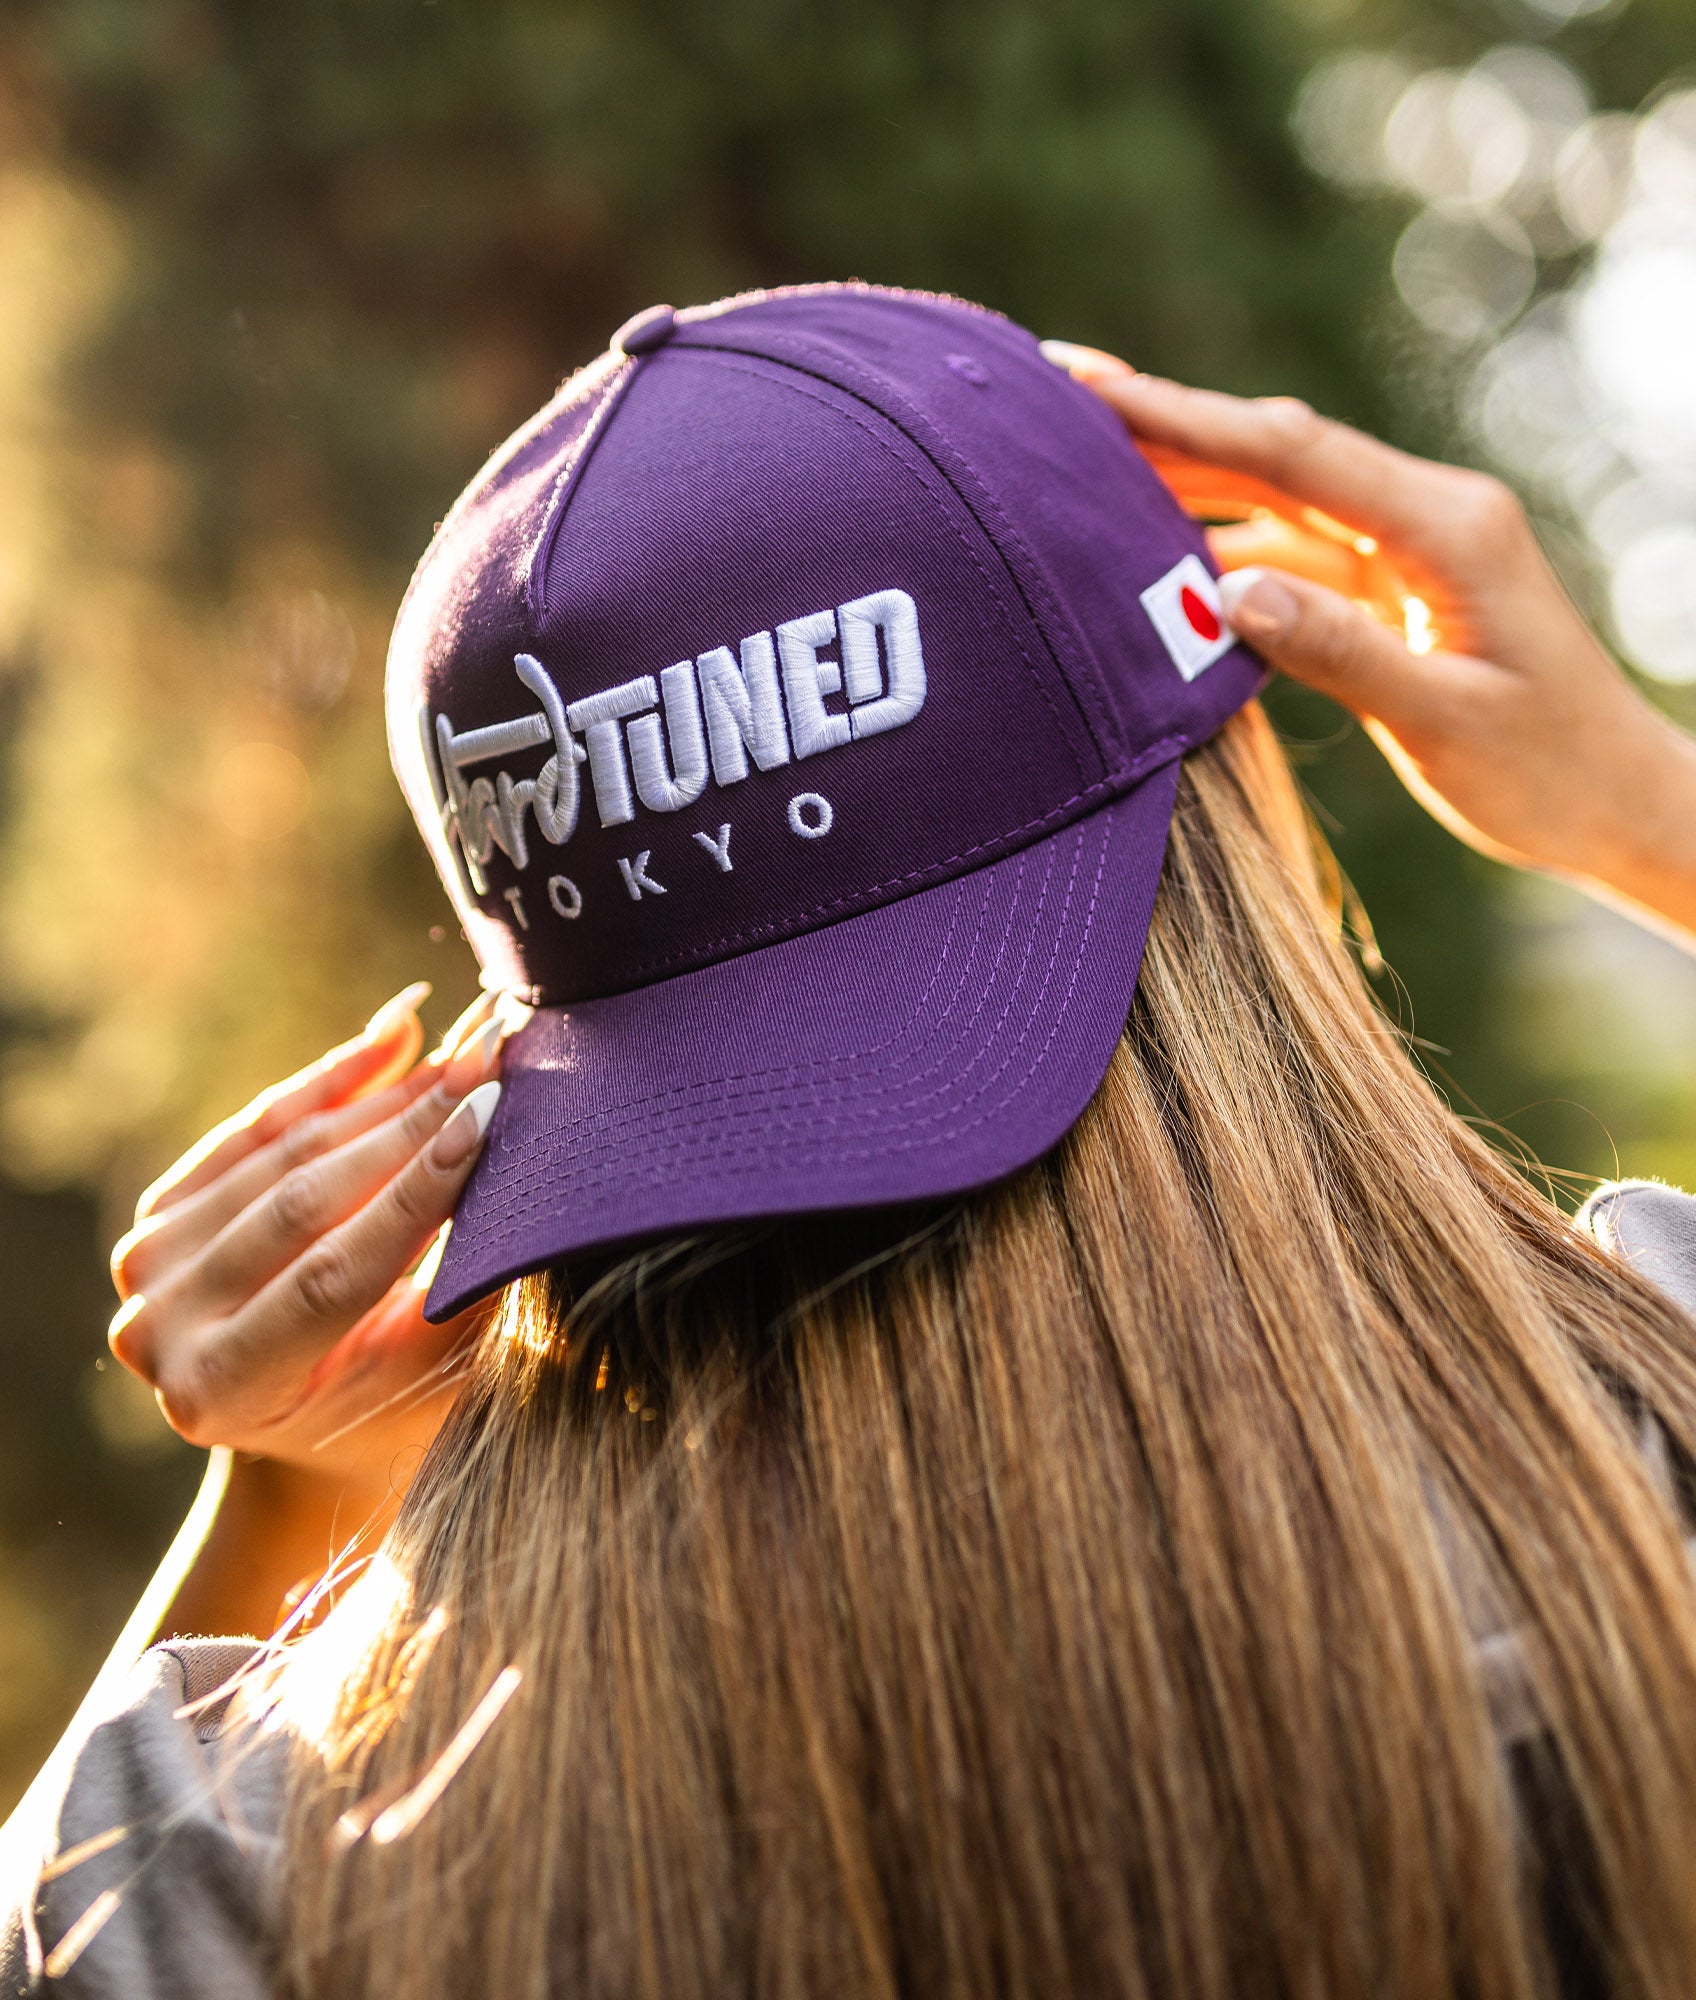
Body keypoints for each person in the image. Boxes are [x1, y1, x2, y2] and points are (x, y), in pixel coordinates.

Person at [5, 283, 1696, 2000]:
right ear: (1244, 788)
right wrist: (1649, 810)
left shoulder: (279, 1859)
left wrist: (288, 1496)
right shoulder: (1641, 1465)